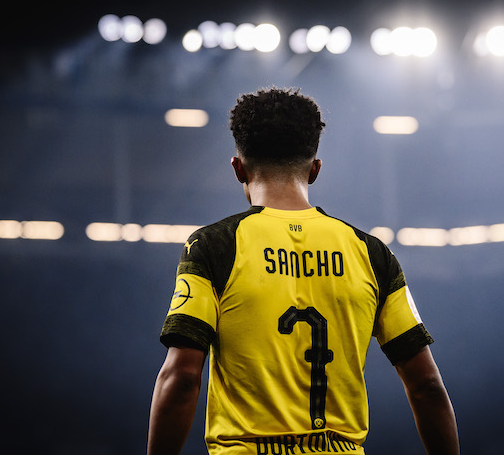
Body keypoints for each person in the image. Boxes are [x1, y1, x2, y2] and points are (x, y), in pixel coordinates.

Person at [147, 87, 459, 455]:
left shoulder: (213, 245)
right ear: (314, 170)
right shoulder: (372, 253)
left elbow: (182, 377)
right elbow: (427, 386)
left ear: (238, 168)